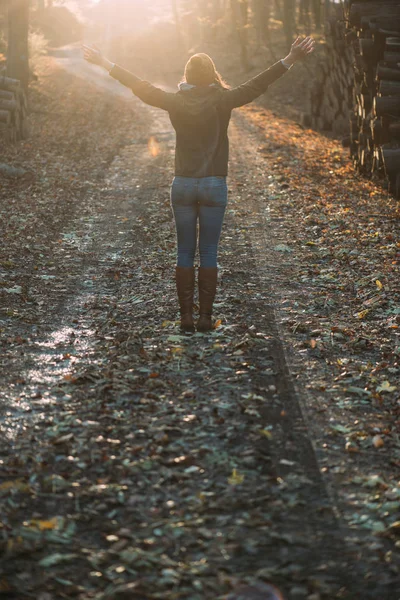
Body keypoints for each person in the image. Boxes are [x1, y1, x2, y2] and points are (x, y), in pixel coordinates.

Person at [83, 36, 314, 332]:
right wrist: (290, 58)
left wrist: (104, 62)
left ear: (187, 76)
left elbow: (138, 85)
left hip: (182, 185)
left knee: (183, 252)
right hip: (214, 185)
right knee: (208, 253)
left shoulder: (174, 101)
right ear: (213, 75)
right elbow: (258, 84)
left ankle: (186, 319)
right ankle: (205, 318)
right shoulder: (224, 99)